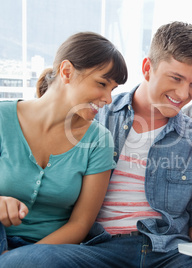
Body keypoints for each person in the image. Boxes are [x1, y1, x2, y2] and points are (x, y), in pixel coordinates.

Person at [0, 22, 192, 268]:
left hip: (168, 252)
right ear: (147, 68)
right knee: (33, 261)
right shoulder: (96, 114)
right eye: (176, 78)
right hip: (100, 249)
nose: (183, 94)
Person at [0, 32, 127, 254]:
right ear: (66, 72)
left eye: (113, 89)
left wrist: (20, 260)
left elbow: (80, 224)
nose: (108, 99)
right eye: (101, 83)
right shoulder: (3, 118)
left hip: (49, 253)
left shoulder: (98, 141)